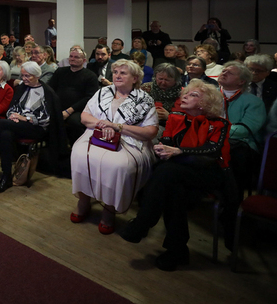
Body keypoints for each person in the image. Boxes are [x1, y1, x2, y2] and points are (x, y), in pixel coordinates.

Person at [120, 80, 233, 271]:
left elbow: (213, 152)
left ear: (205, 103)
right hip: (177, 173)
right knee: (174, 190)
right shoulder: (176, 117)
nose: (186, 96)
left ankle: (143, 222)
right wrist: (161, 148)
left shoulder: (219, 123)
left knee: (166, 172)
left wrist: (179, 151)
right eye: (186, 94)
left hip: (209, 173)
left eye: (193, 95)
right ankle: (176, 250)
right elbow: (165, 140)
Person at [70, 59, 158, 234]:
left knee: (118, 165)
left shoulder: (144, 99)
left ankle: (110, 209)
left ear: (135, 78)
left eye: (123, 73)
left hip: (130, 139)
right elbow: (85, 117)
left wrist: (117, 127)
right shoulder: (103, 92)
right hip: (97, 134)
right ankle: (84, 200)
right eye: (116, 72)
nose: (117, 75)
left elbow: (150, 131)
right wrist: (104, 125)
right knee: (79, 154)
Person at [0, 62, 62, 193]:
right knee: (5, 134)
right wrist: (12, 116)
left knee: (0, 123)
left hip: (36, 127)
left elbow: (46, 119)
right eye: (23, 75)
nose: (24, 78)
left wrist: (25, 118)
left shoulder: (46, 92)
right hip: (17, 124)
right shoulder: (21, 88)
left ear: (37, 75)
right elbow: (11, 107)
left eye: (27, 76)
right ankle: (6, 176)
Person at [217, 61, 268, 200]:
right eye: (224, 70)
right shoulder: (209, 96)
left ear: (241, 82)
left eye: (230, 72)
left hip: (242, 144)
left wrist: (213, 130)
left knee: (236, 153)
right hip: (212, 140)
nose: (224, 72)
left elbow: (244, 130)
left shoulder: (254, 102)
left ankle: (232, 202)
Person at [48, 46, 100, 145]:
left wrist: (69, 111)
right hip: (59, 106)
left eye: (76, 57)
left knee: (74, 122)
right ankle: (56, 149)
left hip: (78, 109)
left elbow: (89, 98)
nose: (72, 59)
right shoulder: (60, 72)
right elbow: (50, 89)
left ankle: (76, 147)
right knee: (48, 119)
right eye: (71, 56)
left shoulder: (90, 76)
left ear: (84, 60)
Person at [141, 63, 182, 135]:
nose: (163, 82)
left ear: (175, 80)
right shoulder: (146, 88)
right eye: (160, 79)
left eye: (167, 80)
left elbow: (187, 119)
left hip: (172, 128)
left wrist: (169, 116)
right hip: (145, 123)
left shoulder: (183, 93)